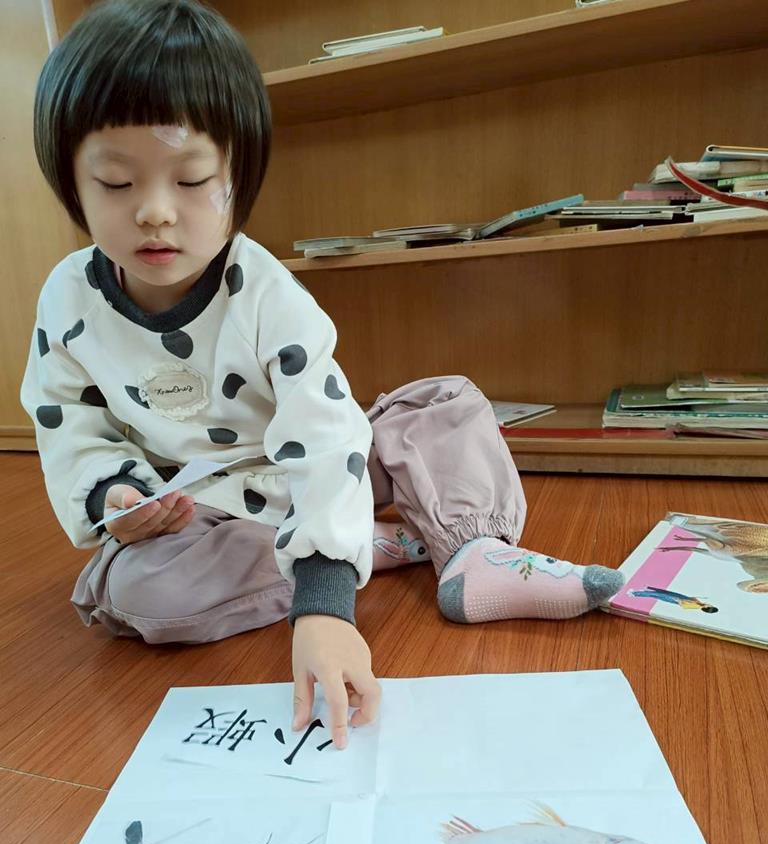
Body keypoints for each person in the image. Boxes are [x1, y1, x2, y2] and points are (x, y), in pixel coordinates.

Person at [21, 0, 623, 752]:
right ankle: (378, 545)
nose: (155, 212)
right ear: (71, 185)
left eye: (193, 178)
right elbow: (67, 419)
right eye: (115, 183)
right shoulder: (67, 298)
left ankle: (471, 551)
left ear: (239, 179)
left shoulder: (263, 290)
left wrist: (327, 610)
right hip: (211, 513)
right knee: (139, 590)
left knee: (447, 404)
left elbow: (325, 433)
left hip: (321, 466)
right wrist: (117, 494)